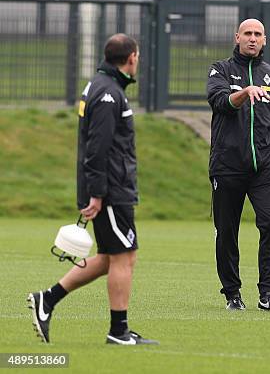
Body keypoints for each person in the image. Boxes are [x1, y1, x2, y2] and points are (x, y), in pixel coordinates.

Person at [28, 34, 158, 345]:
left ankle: (47, 299)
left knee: (112, 256)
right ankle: (118, 332)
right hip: (111, 190)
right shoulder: (109, 94)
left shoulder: (102, 86)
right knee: (124, 256)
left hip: (112, 187)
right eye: (137, 55)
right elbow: (97, 150)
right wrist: (98, 193)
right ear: (130, 58)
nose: (137, 60)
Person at [207, 18, 270, 311]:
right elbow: (220, 102)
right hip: (227, 166)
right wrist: (245, 93)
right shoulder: (220, 70)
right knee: (227, 230)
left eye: (258, 34)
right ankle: (232, 293)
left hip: (265, 168)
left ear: (265, 40)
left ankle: (268, 293)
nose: (253, 38)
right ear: (237, 37)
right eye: (248, 34)